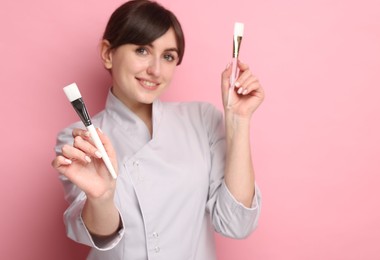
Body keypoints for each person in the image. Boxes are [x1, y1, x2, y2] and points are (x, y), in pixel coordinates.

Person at [52, 0, 264, 259]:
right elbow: (100, 235)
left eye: (168, 56)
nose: (155, 70)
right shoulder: (81, 138)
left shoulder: (202, 119)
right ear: (108, 54)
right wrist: (103, 197)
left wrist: (239, 121)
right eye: (142, 50)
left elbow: (236, 224)